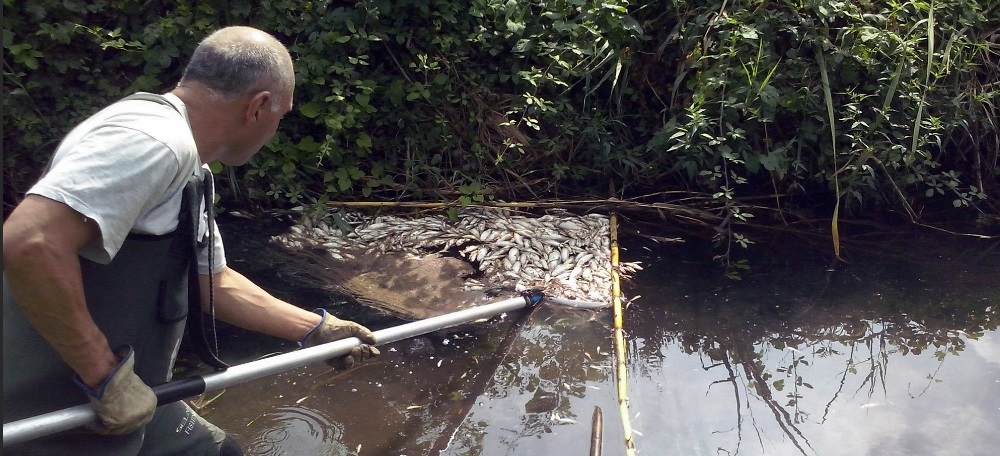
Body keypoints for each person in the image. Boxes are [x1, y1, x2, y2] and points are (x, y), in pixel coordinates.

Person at [2, 26, 379, 455]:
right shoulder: (155, 141)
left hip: (139, 395)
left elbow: (213, 282)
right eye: (282, 114)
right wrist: (105, 377)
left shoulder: (189, 167)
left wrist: (316, 329)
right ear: (258, 106)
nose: (276, 127)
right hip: (65, 412)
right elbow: (30, 242)